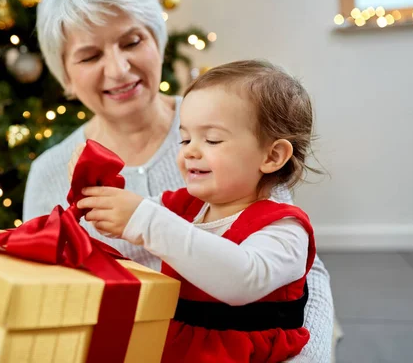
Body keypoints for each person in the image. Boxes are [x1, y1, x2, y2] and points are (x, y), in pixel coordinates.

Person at [23, 0, 334, 361]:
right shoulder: (50, 171)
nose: (118, 69)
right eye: (89, 55)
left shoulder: (235, 134)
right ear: (64, 74)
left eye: (132, 42)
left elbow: (303, 275)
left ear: (157, 40)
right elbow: (45, 298)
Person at [77, 60, 318, 362]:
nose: (190, 151)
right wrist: (96, 194)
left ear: (272, 156)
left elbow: (242, 279)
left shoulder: (284, 228)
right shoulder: (186, 205)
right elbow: (123, 220)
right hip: (175, 343)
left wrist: (146, 221)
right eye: (185, 138)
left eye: (212, 139)